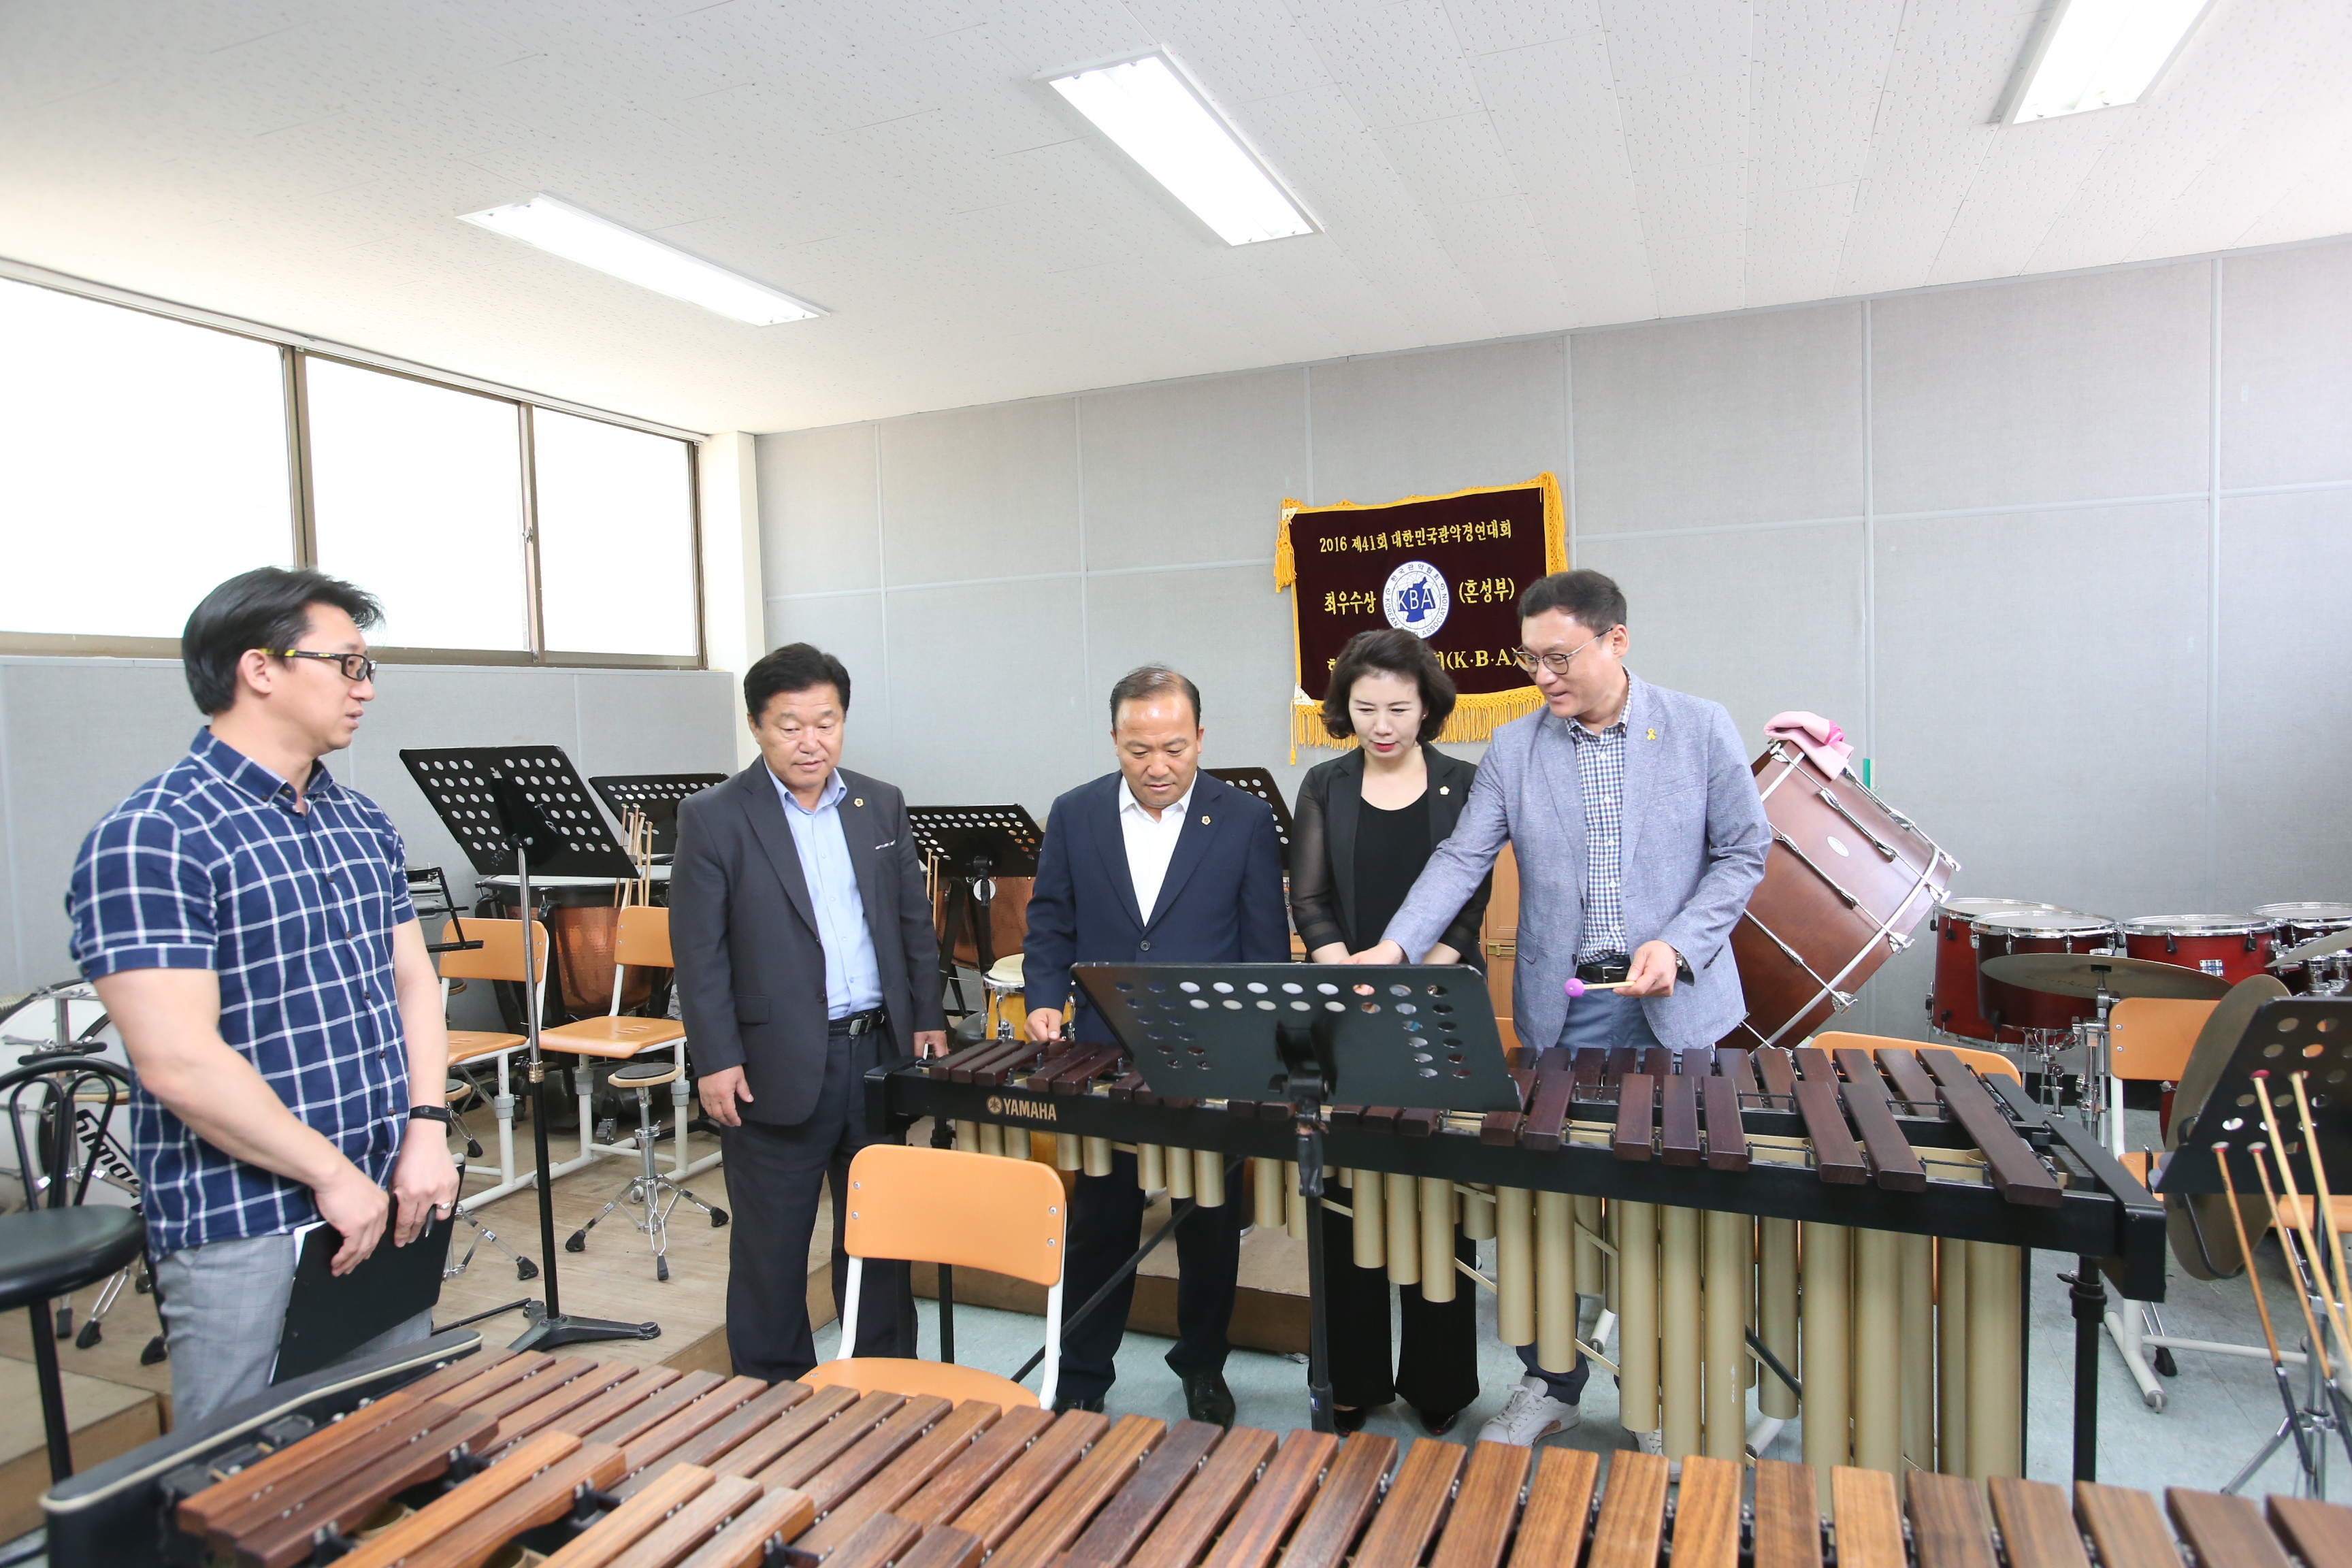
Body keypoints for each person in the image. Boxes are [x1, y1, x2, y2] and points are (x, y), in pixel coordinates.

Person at [1350, 568, 1769, 1448]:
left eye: (1560, 657)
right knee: (1551, 1212)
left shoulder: (1698, 728)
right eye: (1530, 659)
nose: (1543, 676)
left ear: (1617, 642)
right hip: (1566, 1015)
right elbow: (1463, 860)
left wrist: (1682, 943)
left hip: (1675, 1010)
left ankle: (1664, 1399)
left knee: (1669, 1216)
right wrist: (1394, 948)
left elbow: (1742, 854)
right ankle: (1551, 1382)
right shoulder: (1515, 748)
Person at [67, 568, 461, 1426]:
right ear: (260, 669)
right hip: (246, 1221)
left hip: (390, 1192)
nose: (366, 688)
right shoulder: (154, 835)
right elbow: (177, 1061)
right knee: (247, 1489)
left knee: (397, 1450)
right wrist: (329, 1175)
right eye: (348, 664)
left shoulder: (362, 822)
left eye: (368, 668)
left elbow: (413, 986)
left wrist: (426, 1132)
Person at [669, 643, 947, 1384]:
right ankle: (771, 1402)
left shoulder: (878, 803)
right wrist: (716, 1059)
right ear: (758, 727)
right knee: (770, 1252)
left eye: (826, 722)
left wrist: (926, 1018)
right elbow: (700, 955)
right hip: (770, 1066)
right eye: (790, 725)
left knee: (881, 1242)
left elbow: (910, 923)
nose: (810, 741)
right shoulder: (714, 818)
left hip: (876, 1057)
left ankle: (885, 1386)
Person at [1022, 666, 1287, 1422]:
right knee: (1100, 1220)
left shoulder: (1242, 819)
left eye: (1175, 747)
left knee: (1208, 1226)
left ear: (1202, 738)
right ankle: (1081, 1376)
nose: (1158, 766)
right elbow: (1050, 923)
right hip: (1105, 1050)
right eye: (1139, 750)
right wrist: (1045, 997)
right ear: (1114, 740)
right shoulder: (1075, 815)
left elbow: (1262, 948)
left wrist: (1255, 1052)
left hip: (1211, 1057)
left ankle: (1203, 1363)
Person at [1288, 628, 1491, 1435]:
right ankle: (1353, 1376)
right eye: (1366, 708)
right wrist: (1349, 974)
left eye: (1399, 709)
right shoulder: (1326, 784)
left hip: (1436, 1004)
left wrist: (1410, 978)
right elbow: (1309, 900)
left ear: (1427, 706)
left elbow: (1469, 905)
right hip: (1347, 1005)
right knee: (1344, 1197)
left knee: (1436, 1193)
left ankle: (1439, 1382)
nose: (1382, 725)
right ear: (1344, 708)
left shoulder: (1462, 784)